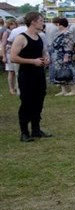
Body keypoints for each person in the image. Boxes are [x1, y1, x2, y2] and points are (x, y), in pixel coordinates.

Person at [10, 12, 52, 142]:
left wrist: (46, 59)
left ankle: (36, 129)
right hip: (26, 75)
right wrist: (33, 61)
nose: (42, 22)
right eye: (40, 20)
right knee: (27, 102)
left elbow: (44, 52)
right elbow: (13, 57)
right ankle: (24, 132)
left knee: (39, 101)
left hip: (39, 74)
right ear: (33, 22)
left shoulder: (40, 36)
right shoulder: (21, 38)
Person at [50, 17, 75, 96]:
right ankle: (63, 90)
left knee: (68, 72)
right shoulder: (59, 33)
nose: (57, 26)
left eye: (58, 24)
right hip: (58, 56)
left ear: (61, 25)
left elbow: (69, 46)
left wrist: (67, 56)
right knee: (60, 73)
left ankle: (73, 90)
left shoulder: (67, 34)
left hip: (64, 56)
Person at [2, 18, 19, 94]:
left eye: (15, 24)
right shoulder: (7, 32)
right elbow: (3, 45)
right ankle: (11, 88)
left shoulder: (15, 32)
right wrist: (4, 56)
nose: (14, 25)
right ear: (9, 25)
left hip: (16, 53)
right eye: (13, 24)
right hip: (9, 54)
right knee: (11, 72)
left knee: (16, 72)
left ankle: (16, 86)